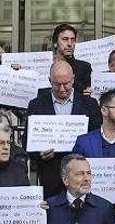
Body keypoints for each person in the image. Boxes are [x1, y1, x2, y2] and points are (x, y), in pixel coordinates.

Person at [27, 60, 101, 198]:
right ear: (49, 81)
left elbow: (96, 137)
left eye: (66, 84)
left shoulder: (89, 104)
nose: (62, 89)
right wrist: (39, 154)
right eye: (57, 84)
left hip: (82, 173)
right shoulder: (36, 105)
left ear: (73, 79)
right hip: (51, 174)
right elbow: (28, 143)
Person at [52, 23, 92, 93]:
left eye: (72, 40)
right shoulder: (45, 66)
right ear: (55, 43)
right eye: (65, 39)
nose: (70, 44)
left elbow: (86, 91)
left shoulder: (84, 67)